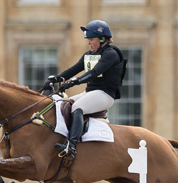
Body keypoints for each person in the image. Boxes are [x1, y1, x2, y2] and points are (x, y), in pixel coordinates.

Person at [41, 20, 126, 158]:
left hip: (105, 95)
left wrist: (74, 82)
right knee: (59, 105)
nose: (89, 43)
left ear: (102, 39)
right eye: (88, 40)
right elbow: (72, 70)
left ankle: (71, 147)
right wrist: (55, 78)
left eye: (91, 39)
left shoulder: (111, 54)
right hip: (91, 93)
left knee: (77, 108)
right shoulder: (89, 55)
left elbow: (93, 72)